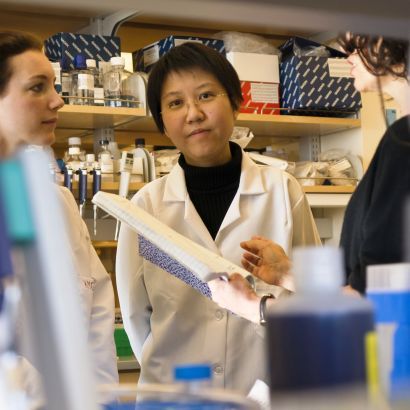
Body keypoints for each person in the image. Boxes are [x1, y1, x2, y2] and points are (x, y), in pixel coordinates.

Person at [116, 41, 321, 393]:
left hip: (266, 392)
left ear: (236, 103)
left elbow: (315, 292)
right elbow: (137, 318)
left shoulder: (283, 191)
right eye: (175, 103)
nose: (193, 113)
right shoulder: (146, 206)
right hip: (175, 396)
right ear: (162, 122)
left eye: (206, 96)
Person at [211, 32, 410, 318]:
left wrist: (253, 306)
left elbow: (369, 301)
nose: (344, 50)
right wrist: (286, 274)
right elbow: (360, 284)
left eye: (355, 41)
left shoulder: (403, 143)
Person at [0, 30, 118, 401]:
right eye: (37, 88)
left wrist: (99, 398)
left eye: (54, 85)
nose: (57, 101)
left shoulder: (58, 202)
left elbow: (97, 311)